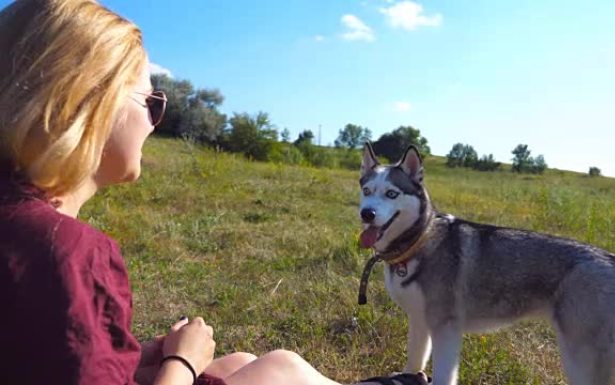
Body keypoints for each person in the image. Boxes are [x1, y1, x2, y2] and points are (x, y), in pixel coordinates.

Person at [0, 1, 429, 385]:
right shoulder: (69, 253)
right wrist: (182, 364)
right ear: (91, 105)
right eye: (152, 103)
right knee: (282, 367)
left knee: (239, 361)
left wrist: (130, 358)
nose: (155, 123)